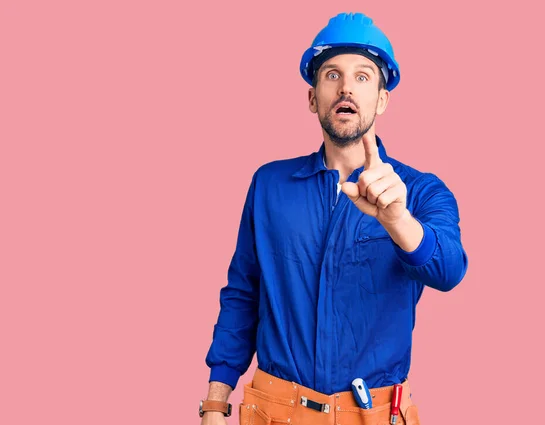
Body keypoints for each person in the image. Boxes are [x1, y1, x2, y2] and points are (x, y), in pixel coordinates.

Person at [199, 12, 468, 425]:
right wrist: (216, 402)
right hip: (274, 414)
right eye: (331, 75)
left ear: (381, 99)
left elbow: (449, 269)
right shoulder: (270, 185)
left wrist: (397, 220)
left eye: (363, 77)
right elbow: (243, 294)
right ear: (312, 98)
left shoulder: (420, 191)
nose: (346, 88)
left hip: (376, 415)